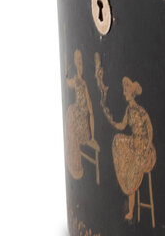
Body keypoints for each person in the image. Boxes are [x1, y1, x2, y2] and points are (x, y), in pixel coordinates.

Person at [100, 74, 156, 222]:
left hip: (144, 149)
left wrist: (147, 147)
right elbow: (122, 126)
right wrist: (111, 121)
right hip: (134, 145)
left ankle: (131, 211)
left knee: (133, 169)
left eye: (126, 91)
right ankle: (131, 210)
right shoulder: (128, 110)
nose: (124, 93)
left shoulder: (140, 111)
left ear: (131, 93)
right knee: (118, 141)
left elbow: (149, 129)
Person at [65, 49, 96, 179]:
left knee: (71, 111)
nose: (78, 62)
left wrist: (92, 137)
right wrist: (65, 64)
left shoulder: (84, 85)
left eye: (80, 59)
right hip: (75, 121)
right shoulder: (77, 80)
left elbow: (91, 113)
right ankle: (74, 164)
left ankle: (76, 165)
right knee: (71, 111)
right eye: (76, 59)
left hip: (83, 127)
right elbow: (68, 82)